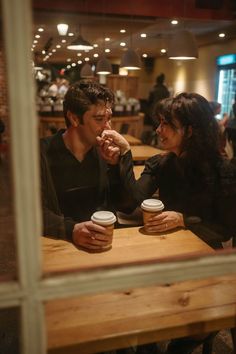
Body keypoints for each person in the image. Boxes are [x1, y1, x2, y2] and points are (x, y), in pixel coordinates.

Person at [100, 92, 236, 353]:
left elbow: (226, 228)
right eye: (159, 122)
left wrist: (184, 220)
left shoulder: (223, 171)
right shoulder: (162, 163)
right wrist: (123, 158)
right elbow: (130, 203)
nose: (158, 130)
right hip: (167, 258)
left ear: (191, 130)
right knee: (140, 320)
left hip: (205, 264)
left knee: (179, 343)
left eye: (167, 124)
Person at [40, 80, 129, 251]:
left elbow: (126, 205)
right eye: (99, 119)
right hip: (59, 247)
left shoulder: (104, 153)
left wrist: (117, 166)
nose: (107, 127)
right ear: (74, 118)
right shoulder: (41, 153)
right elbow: (31, 212)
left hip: (105, 245)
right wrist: (71, 230)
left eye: (109, 118)